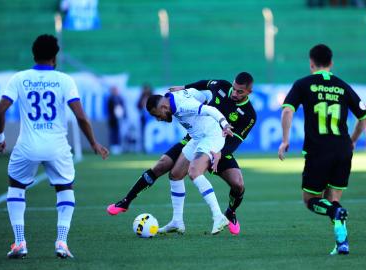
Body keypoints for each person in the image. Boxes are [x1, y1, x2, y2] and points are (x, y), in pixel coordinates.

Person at [0, 34, 109, 259]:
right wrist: (93, 143)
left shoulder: (20, 78)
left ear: (33, 55)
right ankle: (62, 243)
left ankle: (19, 242)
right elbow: (81, 117)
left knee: (16, 187)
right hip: (57, 147)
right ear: (55, 57)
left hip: (27, 146)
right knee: (65, 189)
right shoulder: (65, 80)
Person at [107, 72, 256, 235]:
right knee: (169, 169)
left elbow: (235, 140)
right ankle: (130, 203)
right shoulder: (221, 86)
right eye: (233, 89)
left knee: (238, 183)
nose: (234, 93)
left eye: (239, 92)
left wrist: (218, 152)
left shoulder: (249, 115)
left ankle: (229, 213)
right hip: (196, 137)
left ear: (249, 92)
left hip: (219, 144)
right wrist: (184, 87)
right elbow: (203, 83)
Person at [278, 44, 366, 255]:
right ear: (331, 63)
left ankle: (337, 214)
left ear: (311, 63)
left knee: (311, 200)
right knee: (333, 199)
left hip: (318, 150)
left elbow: (287, 112)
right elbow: (364, 117)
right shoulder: (343, 86)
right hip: (343, 149)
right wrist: (353, 140)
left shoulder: (303, 84)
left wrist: (285, 140)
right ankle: (342, 243)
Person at [146, 88, 233, 234]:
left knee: (194, 172)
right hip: (198, 138)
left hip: (212, 136)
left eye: (157, 115)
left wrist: (224, 124)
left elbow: (209, 109)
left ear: (163, 107)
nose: (158, 119)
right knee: (175, 174)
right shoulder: (174, 97)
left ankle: (218, 216)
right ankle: (177, 221)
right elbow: (204, 94)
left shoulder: (183, 106)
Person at [107, 85, 126, 154]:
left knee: (119, 132)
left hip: (120, 119)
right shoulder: (110, 98)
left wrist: (123, 115)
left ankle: (119, 146)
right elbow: (109, 109)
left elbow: (123, 108)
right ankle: (114, 146)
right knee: (113, 132)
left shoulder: (120, 98)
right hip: (113, 119)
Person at [137, 83, 153, 153]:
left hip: (151, 119)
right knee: (143, 133)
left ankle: (150, 147)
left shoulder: (152, 97)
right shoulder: (141, 97)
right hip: (144, 119)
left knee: (150, 133)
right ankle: (144, 148)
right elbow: (138, 106)